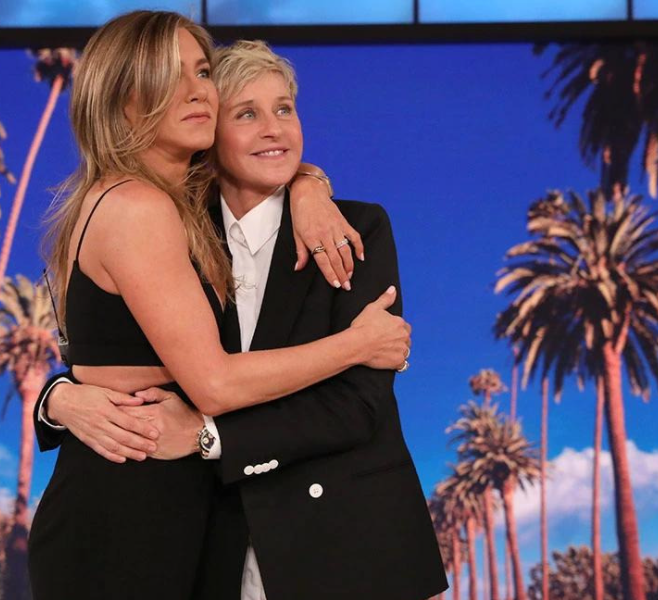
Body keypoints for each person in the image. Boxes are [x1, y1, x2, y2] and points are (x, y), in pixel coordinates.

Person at [36, 40, 448, 600]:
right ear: (209, 132)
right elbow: (127, 353)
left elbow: (357, 405)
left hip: (344, 545)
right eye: (246, 114)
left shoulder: (353, 231)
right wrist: (58, 399)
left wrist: (208, 437)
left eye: (284, 109)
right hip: (212, 544)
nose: (273, 128)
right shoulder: (170, 230)